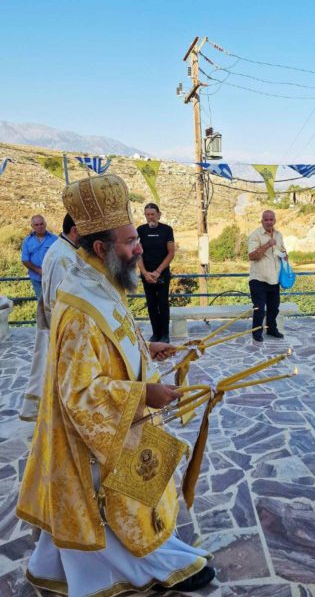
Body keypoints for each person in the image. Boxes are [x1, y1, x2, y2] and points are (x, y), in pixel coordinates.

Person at [16, 174, 215, 596]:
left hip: (121, 425)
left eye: (137, 238)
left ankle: (75, 565)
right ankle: (156, 566)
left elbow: (115, 336)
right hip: (91, 442)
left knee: (102, 509)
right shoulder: (79, 306)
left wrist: (146, 348)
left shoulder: (101, 282)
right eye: (130, 241)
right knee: (107, 509)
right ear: (101, 248)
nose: (139, 247)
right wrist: (143, 393)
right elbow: (78, 392)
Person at [20, 213, 80, 422]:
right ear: (76, 230)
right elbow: (58, 302)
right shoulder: (61, 257)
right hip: (64, 330)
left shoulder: (65, 248)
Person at [137, 203, 175, 342]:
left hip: (162, 274)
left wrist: (158, 271)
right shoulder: (140, 230)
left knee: (163, 304)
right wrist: (145, 273)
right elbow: (137, 254)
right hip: (146, 274)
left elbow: (171, 253)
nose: (150, 217)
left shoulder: (167, 230)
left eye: (153, 214)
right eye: (147, 214)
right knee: (151, 304)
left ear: (159, 215)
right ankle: (155, 334)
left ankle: (165, 334)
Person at [248, 210, 287, 343]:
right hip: (258, 279)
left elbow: (283, 250)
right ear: (262, 221)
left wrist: (285, 255)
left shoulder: (279, 235)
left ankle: (271, 329)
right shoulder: (255, 235)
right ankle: (256, 333)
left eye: (271, 219)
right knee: (259, 309)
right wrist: (268, 245)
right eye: (266, 219)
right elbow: (252, 256)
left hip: (274, 279)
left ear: (275, 220)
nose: (269, 222)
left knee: (274, 309)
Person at [21, 215, 58, 298]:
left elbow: (60, 257)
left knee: (54, 301)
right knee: (41, 301)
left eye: (41, 224)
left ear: (45, 224)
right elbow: (25, 260)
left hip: (52, 278)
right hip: (36, 278)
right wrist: (38, 271)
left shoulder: (55, 239)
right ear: (32, 226)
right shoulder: (27, 241)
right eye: (36, 225)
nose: (40, 226)